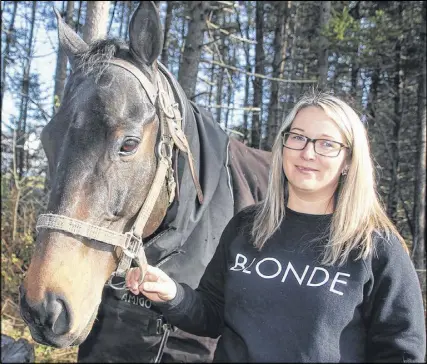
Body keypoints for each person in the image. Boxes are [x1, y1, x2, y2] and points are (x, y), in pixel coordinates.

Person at [126, 90, 426, 362]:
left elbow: (402, 352)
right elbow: (212, 315)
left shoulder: (375, 246)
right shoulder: (247, 226)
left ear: (348, 160)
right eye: (298, 137)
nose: (307, 153)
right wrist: (172, 294)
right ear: (283, 145)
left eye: (326, 144)